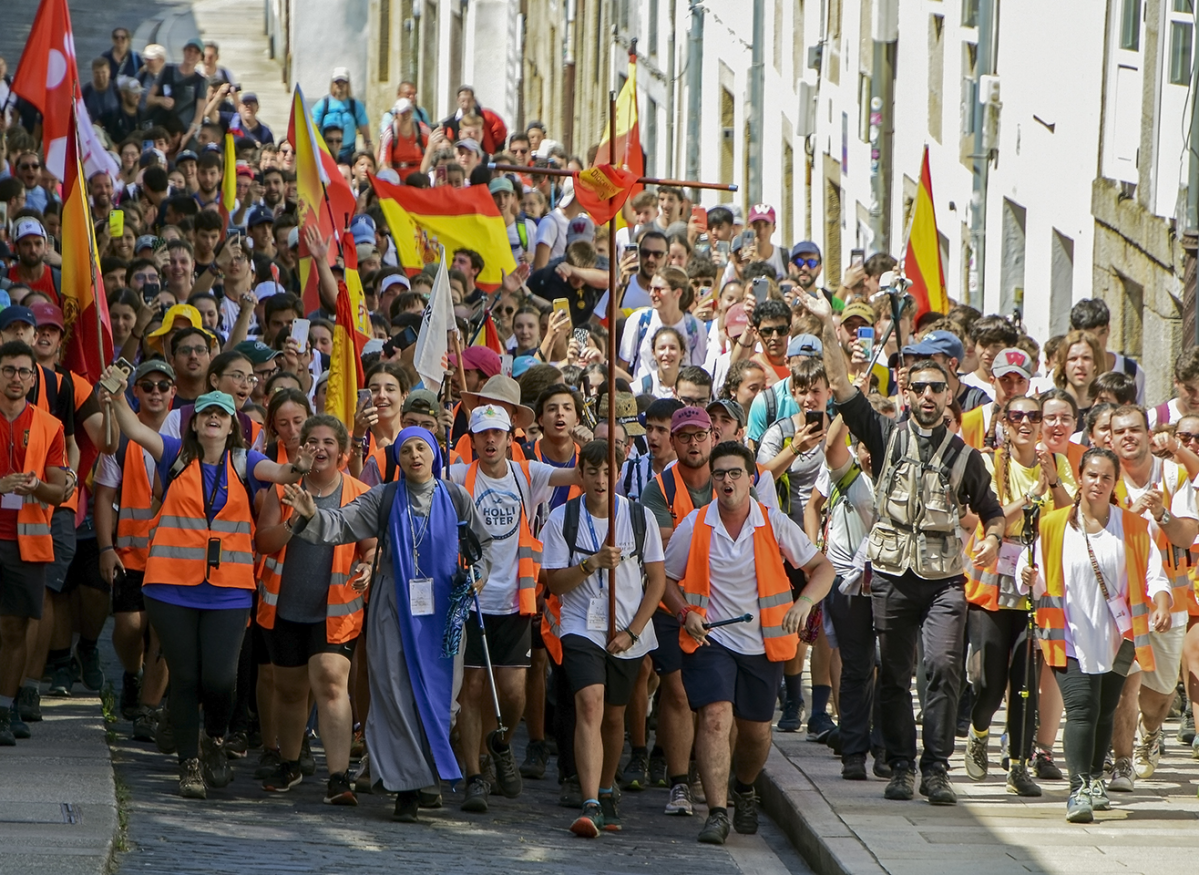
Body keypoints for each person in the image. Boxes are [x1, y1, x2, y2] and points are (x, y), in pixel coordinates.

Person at [801, 289, 1005, 806]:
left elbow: (993, 512)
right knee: (891, 673)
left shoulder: (966, 457)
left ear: (951, 393)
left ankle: (936, 769)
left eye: (938, 387)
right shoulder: (885, 436)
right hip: (891, 574)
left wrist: (992, 539)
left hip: (943, 581)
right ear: (907, 394)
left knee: (941, 667)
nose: (929, 395)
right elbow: (842, 388)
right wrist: (827, 327)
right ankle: (901, 765)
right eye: (919, 388)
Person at [100, 375, 313, 799]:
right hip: (170, 587)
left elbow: (282, 472)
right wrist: (118, 395)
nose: (214, 418)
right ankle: (189, 764)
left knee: (219, 678)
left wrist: (301, 466)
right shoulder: (174, 454)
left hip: (229, 589)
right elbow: (135, 430)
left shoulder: (245, 461)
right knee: (185, 676)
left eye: (222, 414)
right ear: (195, 424)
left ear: (232, 425)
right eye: (206, 413)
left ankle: (214, 737)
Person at [283, 427, 492, 821]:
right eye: (406, 449)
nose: (414, 455)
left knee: (441, 699)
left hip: (444, 609)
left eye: (421, 448)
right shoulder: (385, 497)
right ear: (398, 458)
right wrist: (311, 514)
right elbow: (342, 523)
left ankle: (426, 778)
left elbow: (481, 548)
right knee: (394, 693)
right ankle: (406, 789)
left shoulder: (456, 497)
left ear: (434, 454)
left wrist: (477, 574)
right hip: (392, 605)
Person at [663, 441, 834, 844]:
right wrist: (685, 613)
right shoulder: (695, 525)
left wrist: (804, 602)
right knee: (715, 717)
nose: (727, 481)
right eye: (719, 474)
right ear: (712, 480)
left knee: (756, 733)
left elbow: (822, 568)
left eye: (735, 473)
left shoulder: (773, 522)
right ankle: (717, 813)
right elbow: (665, 579)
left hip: (764, 646)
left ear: (750, 479)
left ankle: (744, 788)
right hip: (711, 640)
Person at [1018, 447, 1172, 822]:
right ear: (1080, 478)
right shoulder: (1054, 525)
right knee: (1082, 708)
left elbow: (1156, 575)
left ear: (1114, 482)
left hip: (1120, 638)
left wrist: (1162, 604)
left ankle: (1095, 779)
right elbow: (1031, 568)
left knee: (1105, 710)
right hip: (1067, 635)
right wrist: (1027, 575)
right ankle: (1079, 788)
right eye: (1091, 475)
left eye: (1106, 477)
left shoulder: (1132, 528)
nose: (1098, 483)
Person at [449, 404, 580, 812]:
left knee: (512, 692)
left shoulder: (527, 474)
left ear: (510, 438)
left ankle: (499, 745)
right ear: (472, 439)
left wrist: (592, 445)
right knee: (472, 689)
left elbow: (579, 474)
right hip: (471, 601)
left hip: (514, 601)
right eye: (482, 434)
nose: (490, 440)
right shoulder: (457, 477)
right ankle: (475, 775)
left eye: (497, 433)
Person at [542, 440, 666, 836]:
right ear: (580, 474)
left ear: (618, 473)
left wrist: (633, 631)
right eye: (592, 471)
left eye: (608, 471)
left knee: (614, 716)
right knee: (590, 704)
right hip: (581, 626)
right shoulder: (562, 519)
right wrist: (591, 563)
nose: (600, 479)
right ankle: (590, 800)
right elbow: (555, 584)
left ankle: (607, 787)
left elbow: (657, 581)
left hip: (627, 630)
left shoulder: (640, 517)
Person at [255, 415, 374, 802]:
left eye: (328, 442)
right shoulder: (282, 489)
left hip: (336, 611)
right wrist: (296, 521)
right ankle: (290, 763)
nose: (320, 448)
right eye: (312, 442)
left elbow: (371, 546)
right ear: (300, 449)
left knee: (331, 681)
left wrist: (368, 565)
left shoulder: (359, 493)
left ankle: (338, 777)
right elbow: (263, 542)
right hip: (284, 608)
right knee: (290, 691)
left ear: (342, 452)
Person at [962, 394, 1076, 797]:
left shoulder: (1057, 462)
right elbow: (988, 517)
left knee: (1026, 678)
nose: (1025, 422)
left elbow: (1069, 515)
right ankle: (979, 731)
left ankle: (1018, 765)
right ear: (1004, 422)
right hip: (994, 579)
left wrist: (1053, 482)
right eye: (1016, 416)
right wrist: (1031, 496)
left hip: (1037, 577)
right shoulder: (990, 462)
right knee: (991, 681)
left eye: (1033, 416)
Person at [1107, 405, 1199, 791]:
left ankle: (1152, 731)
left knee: (1157, 696)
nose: (1128, 437)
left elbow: (1186, 536)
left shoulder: (1173, 475)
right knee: (1124, 688)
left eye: (1135, 430)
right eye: (1120, 432)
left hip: (1169, 602)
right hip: (1123, 602)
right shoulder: (1105, 477)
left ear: (1148, 435)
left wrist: (1162, 514)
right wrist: (1130, 512)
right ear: (1110, 439)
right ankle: (1122, 762)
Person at [93, 361, 177, 740]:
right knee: (129, 627)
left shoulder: (186, 436)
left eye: (163, 385)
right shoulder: (120, 440)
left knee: (162, 634)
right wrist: (105, 547)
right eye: (148, 385)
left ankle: (148, 709)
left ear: (173, 392)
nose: (156, 391)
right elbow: (103, 496)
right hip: (130, 554)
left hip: (174, 557)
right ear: (136, 391)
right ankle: (132, 673)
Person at [0, 341, 69, 745]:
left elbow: (60, 491)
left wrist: (37, 486)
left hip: (25, 542)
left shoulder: (50, 426)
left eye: (24, 371)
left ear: (32, 379)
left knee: (16, 628)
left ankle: (5, 709)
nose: (16, 377)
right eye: (8, 369)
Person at [1070, 298, 1146, 405]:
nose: (1096, 342)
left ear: (1108, 329)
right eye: (1088, 337)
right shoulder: (1066, 372)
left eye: (1101, 333)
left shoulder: (1132, 370)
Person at [313, 68, 372, 163]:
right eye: (337, 82)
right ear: (332, 84)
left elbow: (366, 134)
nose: (340, 85)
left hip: (348, 155)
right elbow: (313, 129)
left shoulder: (356, 106)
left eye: (343, 82)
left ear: (348, 84)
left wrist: (369, 152)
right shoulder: (323, 104)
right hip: (326, 153)